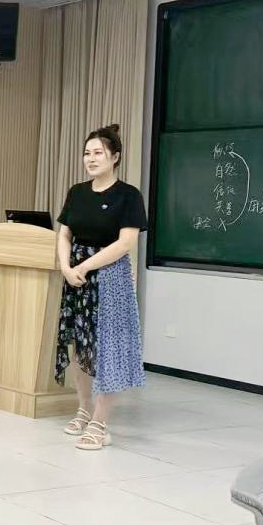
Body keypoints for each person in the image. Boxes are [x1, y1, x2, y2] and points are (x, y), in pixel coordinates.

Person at [54, 124, 148, 451]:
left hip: (110, 278)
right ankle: (83, 409)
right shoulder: (77, 192)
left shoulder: (128, 195)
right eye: (87, 153)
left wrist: (83, 266)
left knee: (108, 348)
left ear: (115, 157)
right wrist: (66, 267)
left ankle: (100, 422)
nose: (91, 159)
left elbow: (125, 243)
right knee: (80, 347)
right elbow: (65, 234)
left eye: (98, 153)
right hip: (76, 277)